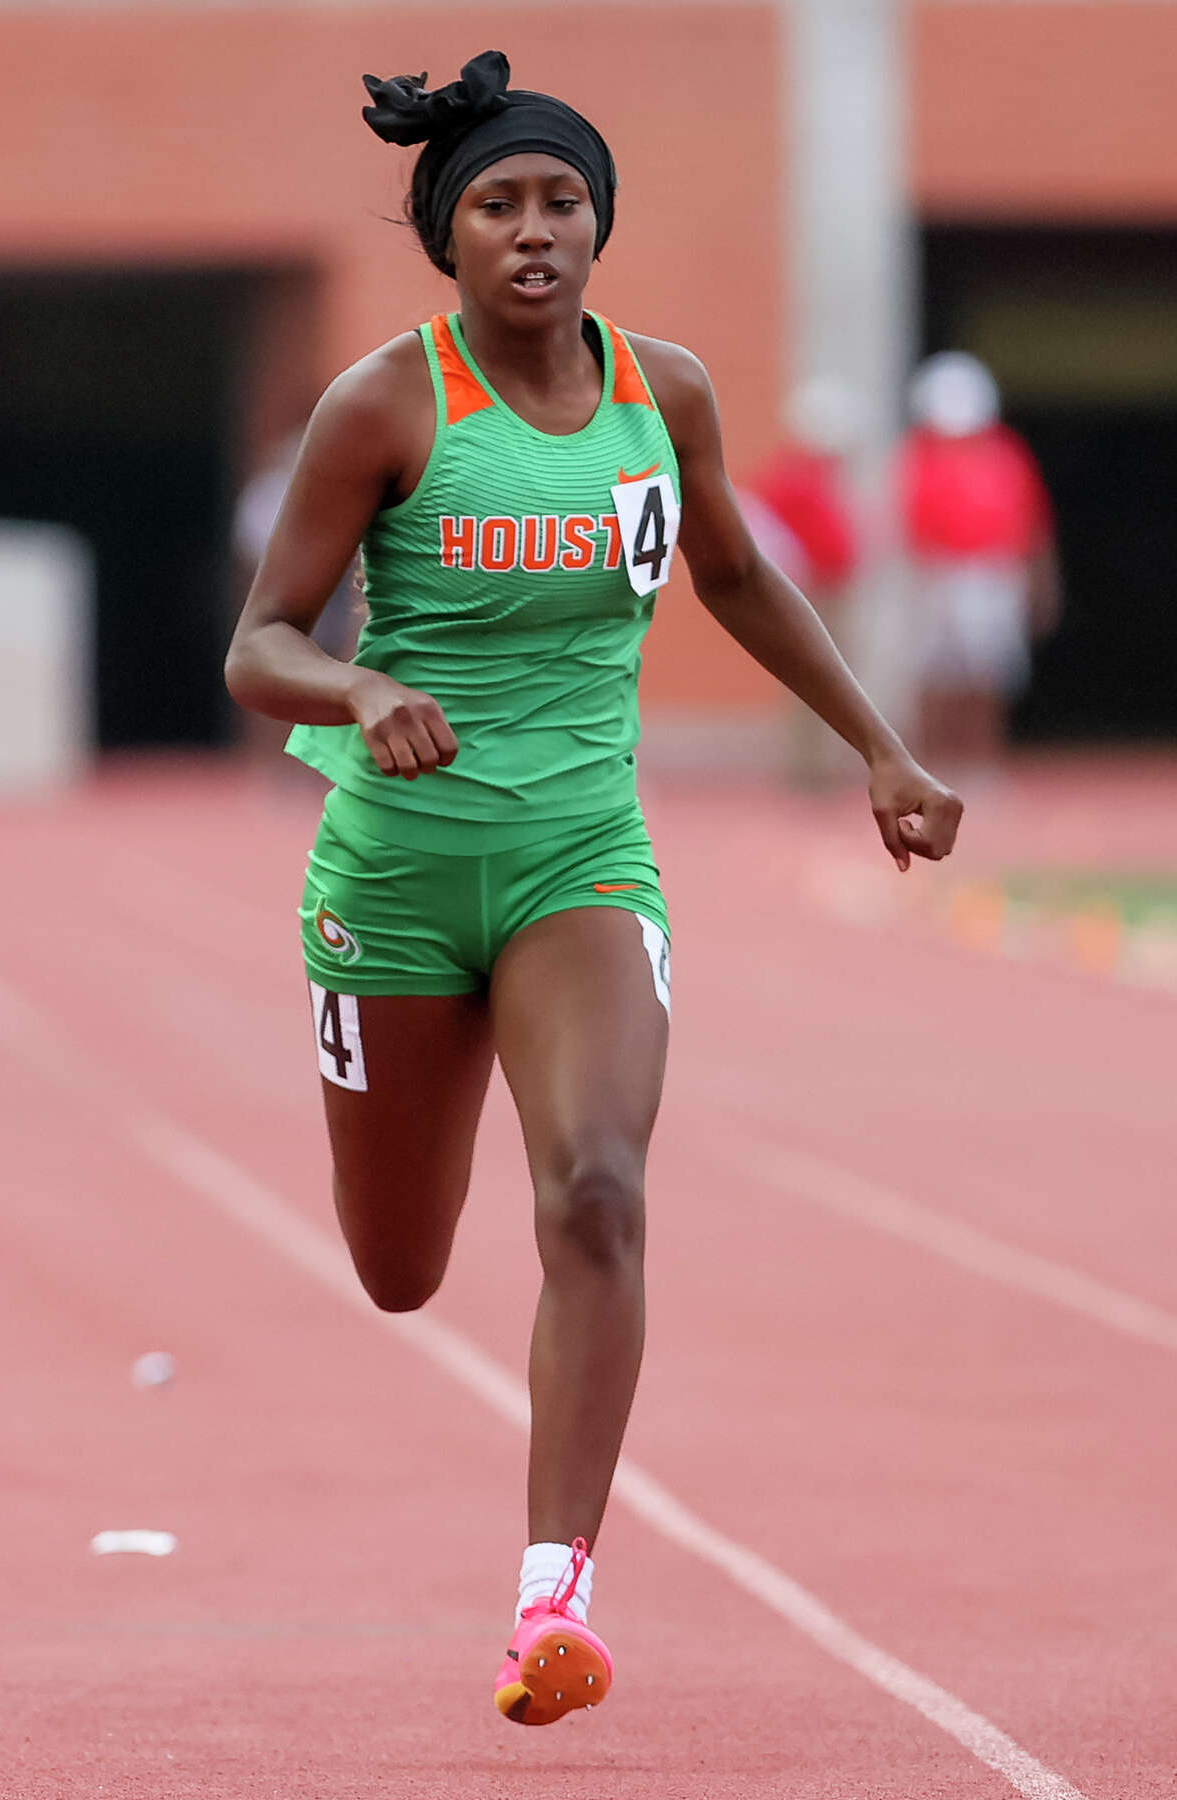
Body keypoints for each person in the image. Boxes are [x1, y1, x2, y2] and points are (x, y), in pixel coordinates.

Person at [224, 50, 962, 1729]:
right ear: (452, 239)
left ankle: (552, 1598)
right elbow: (258, 643)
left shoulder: (665, 392)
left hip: (580, 860)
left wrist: (880, 749)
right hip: (397, 884)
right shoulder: (386, 404)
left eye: (562, 202)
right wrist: (357, 693)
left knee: (598, 1194)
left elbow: (737, 574)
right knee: (402, 1269)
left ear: (599, 223)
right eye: (499, 206)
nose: (536, 232)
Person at [898, 352, 1061, 774]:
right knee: (934, 677)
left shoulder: (1008, 454)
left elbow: (1033, 525)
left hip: (993, 576)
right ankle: (929, 767)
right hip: (934, 574)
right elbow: (900, 527)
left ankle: (981, 765)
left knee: (987, 676)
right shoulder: (917, 454)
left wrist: (1041, 584)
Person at [745, 376, 864, 785]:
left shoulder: (822, 476)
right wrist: (793, 574)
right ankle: (809, 769)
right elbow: (757, 528)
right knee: (816, 678)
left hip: (833, 589)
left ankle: (824, 764)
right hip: (812, 593)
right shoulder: (791, 477)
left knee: (835, 679)